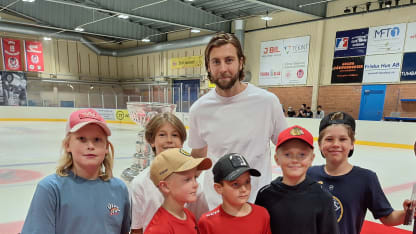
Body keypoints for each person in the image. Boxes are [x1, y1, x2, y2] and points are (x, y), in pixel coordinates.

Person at [188, 32, 288, 209]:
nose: (223, 68)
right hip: (216, 207)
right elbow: (197, 156)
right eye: (216, 62)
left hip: (258, 204)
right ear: (208, 67)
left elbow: (286, 149)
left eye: (229, 60)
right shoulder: (199, 109)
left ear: (241, 62)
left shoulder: (267, 102)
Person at [21, 108, 131, 234]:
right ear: (67, 145)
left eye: (97, 139)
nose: (90, 146)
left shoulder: (119, 189)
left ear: (106, 147)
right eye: (82, 139)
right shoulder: (51, 189)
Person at [307, 111, 412, 234]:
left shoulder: (366, 179)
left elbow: (388, 217)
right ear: (320, 144)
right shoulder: (309, 174)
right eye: (329, 139)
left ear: (352, 144)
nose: (336, 144)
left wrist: (407, 213)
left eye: (343, 139)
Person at [130, 113, 209, 234]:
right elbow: (137, 228)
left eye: (175, 135)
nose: (169, 140)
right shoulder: (140, 183)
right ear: (151, 141)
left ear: (182, 142)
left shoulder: (193, 184)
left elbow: (200, 224)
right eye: (162, 135)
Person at [255, 125, 339, 234]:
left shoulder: (323, 197)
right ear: (277, 159)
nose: (294, 160)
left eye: (302, 154)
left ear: (311, 159)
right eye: (287, 154)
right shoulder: (265, 195)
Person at [198, 153, 271, 234]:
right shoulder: (208, 222)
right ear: (219, 188)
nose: (244, 189)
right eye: (235, 184)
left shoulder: (262, 214)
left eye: (247, 182)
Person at [145, 148, 212, 234]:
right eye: (187, 179)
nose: (196, 184)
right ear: (165, 186)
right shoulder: (159, 229)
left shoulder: (188, 215)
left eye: (195, 177)